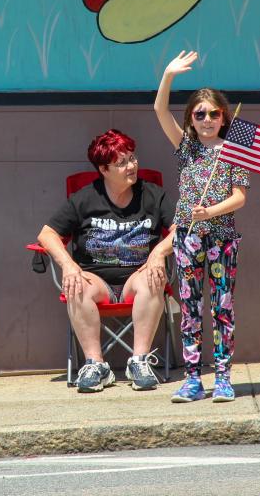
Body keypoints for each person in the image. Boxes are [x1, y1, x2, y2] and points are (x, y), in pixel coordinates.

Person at [37, 129, 175, 393]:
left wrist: (158, 252)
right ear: (103, 169)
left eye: (133, 158)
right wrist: (68, 264)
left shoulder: (152, 195)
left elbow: (183, 227)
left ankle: (140, 361)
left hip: (137, 275)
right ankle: (95, 365)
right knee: (76, 284)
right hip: (95, 278)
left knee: (154, 278)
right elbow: (47, 234)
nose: (132, 166)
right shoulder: (86, 198)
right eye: (122, 163)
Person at [154, 51, 250, 403]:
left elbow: (240, 197)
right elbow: (159, 112)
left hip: (222, 238)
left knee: (221, 307)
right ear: (191, 119)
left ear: (224, 116)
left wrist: (210, 211)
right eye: (200, 114)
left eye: (214, 113)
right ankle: (193, 378)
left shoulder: (235, 150)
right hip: (187, 237)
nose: (207, 119)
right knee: (190, 307)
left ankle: (223, 377)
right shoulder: (186, 147)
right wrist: (168, 76)